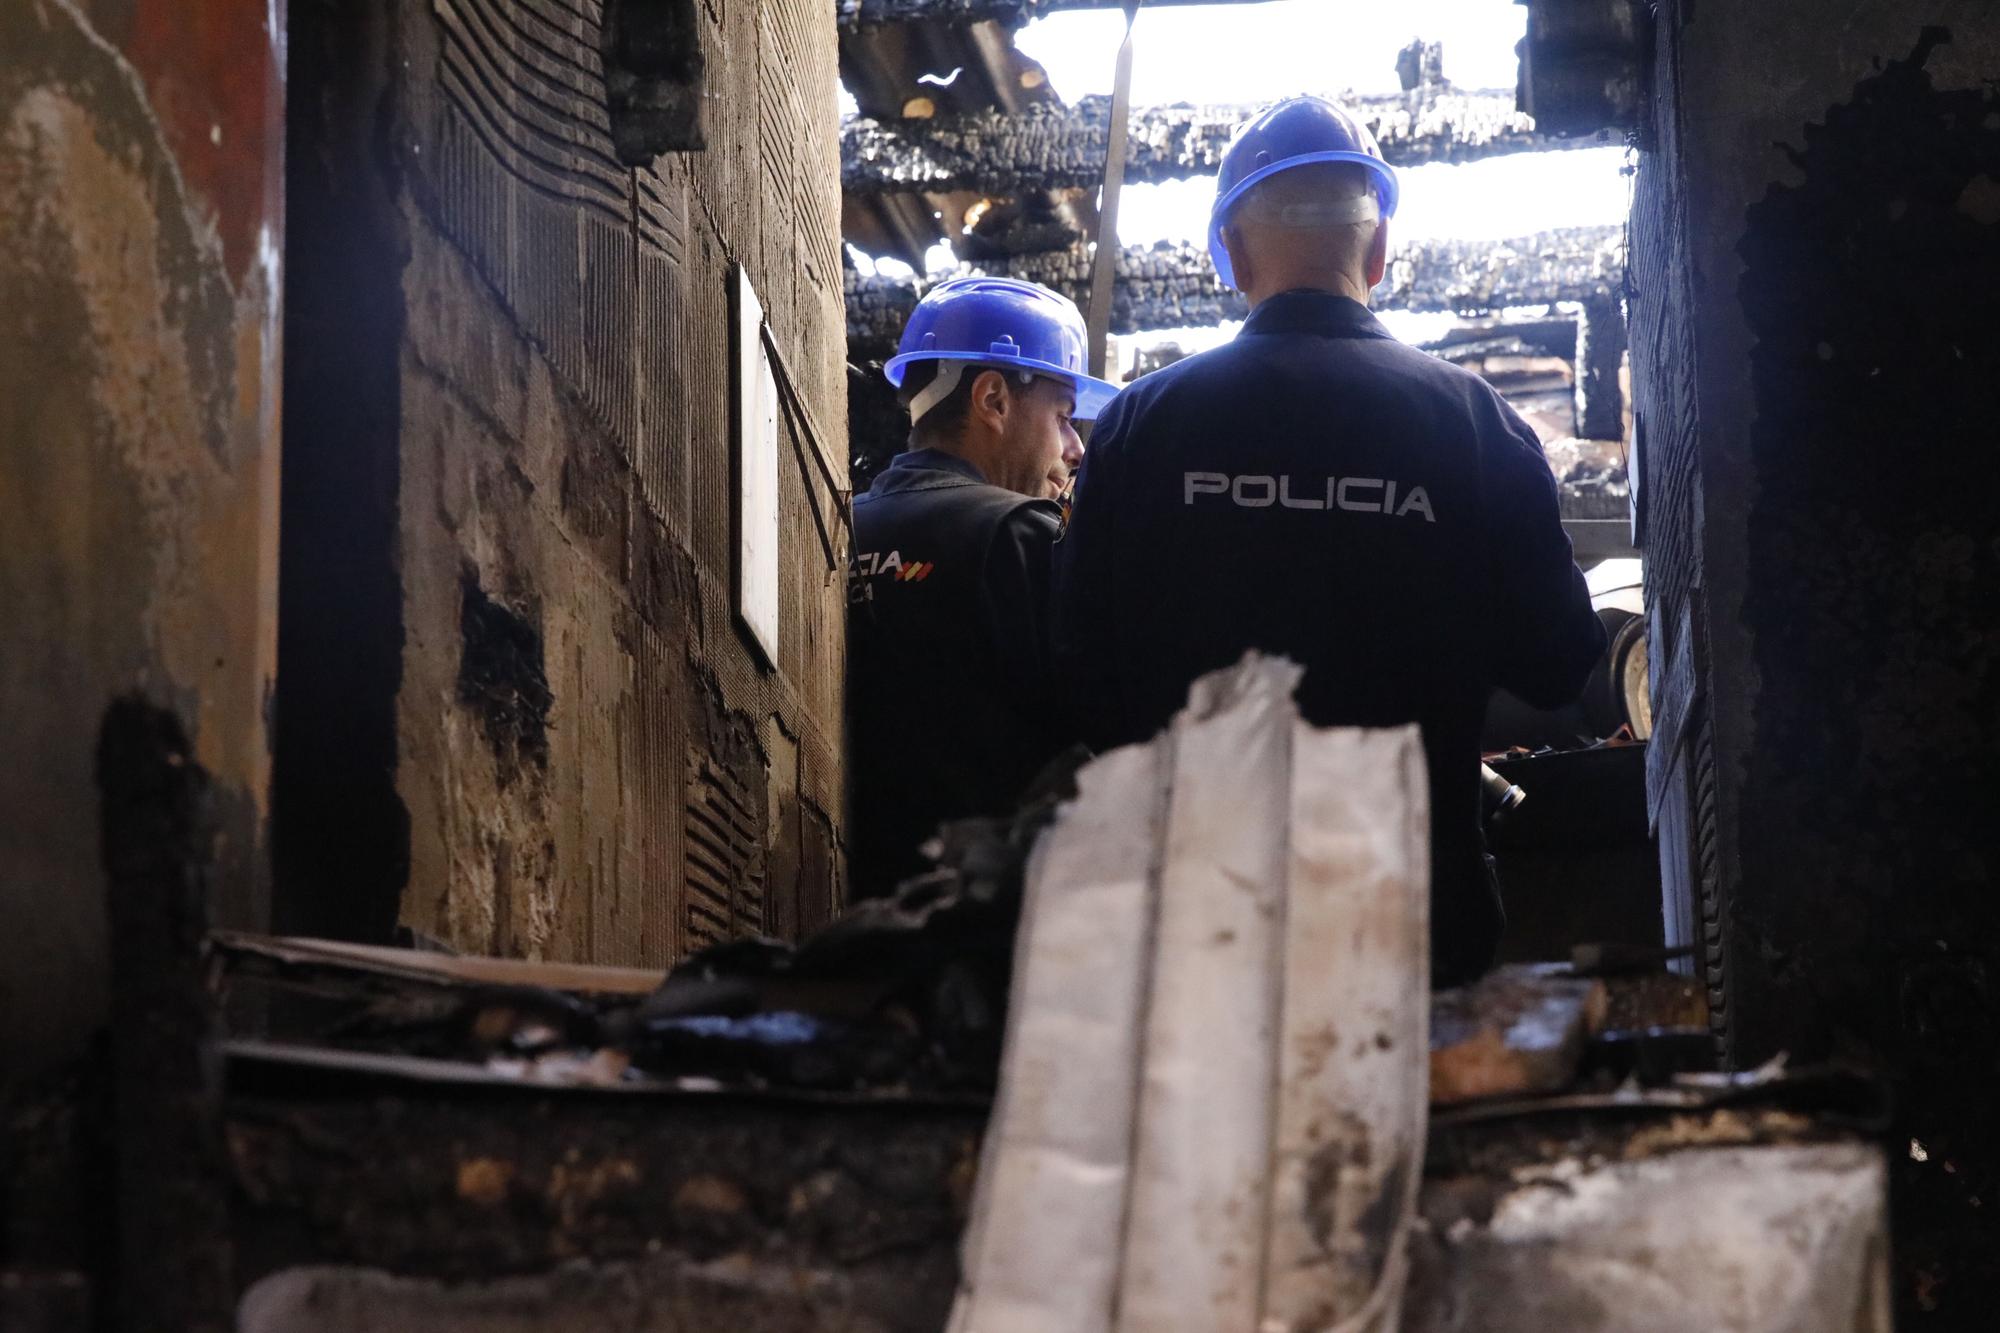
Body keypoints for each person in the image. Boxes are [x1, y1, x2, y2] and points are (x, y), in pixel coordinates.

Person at [1051, 96, 1606, 985]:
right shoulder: (1476, 424)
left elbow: (1079, 677)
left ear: (1231, 256)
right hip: (1415, 912)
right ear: (1380, 251)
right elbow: (1558, 663)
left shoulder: (1139, 430)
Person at [846, 276, 1121, 893]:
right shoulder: (1022, 534)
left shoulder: (838, 530)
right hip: (986, 925)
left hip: (846, 909)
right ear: (993, 399)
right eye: (1064, 416)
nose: (1076, 447)